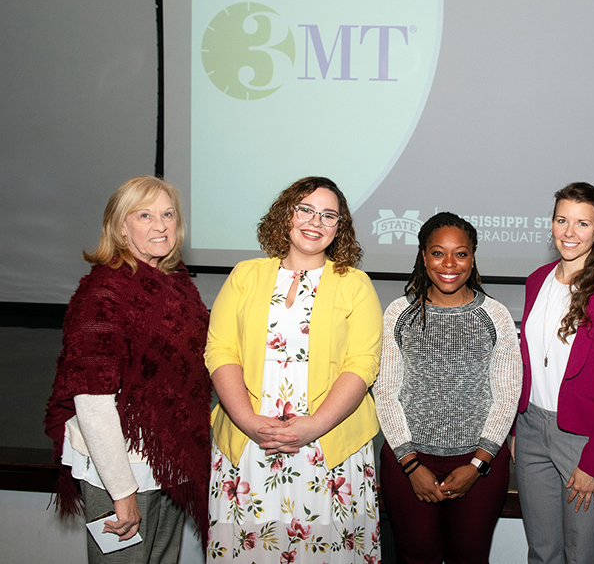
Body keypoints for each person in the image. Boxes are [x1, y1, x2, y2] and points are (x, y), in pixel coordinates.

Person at [206, 177, 382, 563]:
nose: (315, 221)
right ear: (286, 213)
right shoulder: (244, 275)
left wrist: (313, 426)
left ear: (339, 228)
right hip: (249, 444)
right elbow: (221, 350)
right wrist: (248, 421)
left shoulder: (355, 284)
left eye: (328, 215)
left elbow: (363, 364)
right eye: (305, 209)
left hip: (327, 449)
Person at [44, 176, 212, 563]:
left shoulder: (177, 285)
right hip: (118, 472)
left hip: (169, 461)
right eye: (145, 215)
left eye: (168, 214)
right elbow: (92, 402)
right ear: (121, 227)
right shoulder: (102, 295)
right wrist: (121, 493)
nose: (161, 225)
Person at [373, 212, 522, 564]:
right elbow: (386, 393)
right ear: (423, 257)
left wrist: (477, 464)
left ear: (473, 257)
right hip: (408, 462)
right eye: (438, 253)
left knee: (469, 557)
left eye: (461, 253)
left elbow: (506, 397)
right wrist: (411, 465)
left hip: (478, 464)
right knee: (416, 556)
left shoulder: (495, 315)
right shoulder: (398, 313)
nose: (450, 263)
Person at [512, 182, 594, 564]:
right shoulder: (537, 280)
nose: (569, 232)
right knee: (542, 551)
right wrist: (517, 428)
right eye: (562, 220)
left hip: (582, 440)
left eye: (582, 223)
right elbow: (527, 360)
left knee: (581, 554)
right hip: (531, 429)